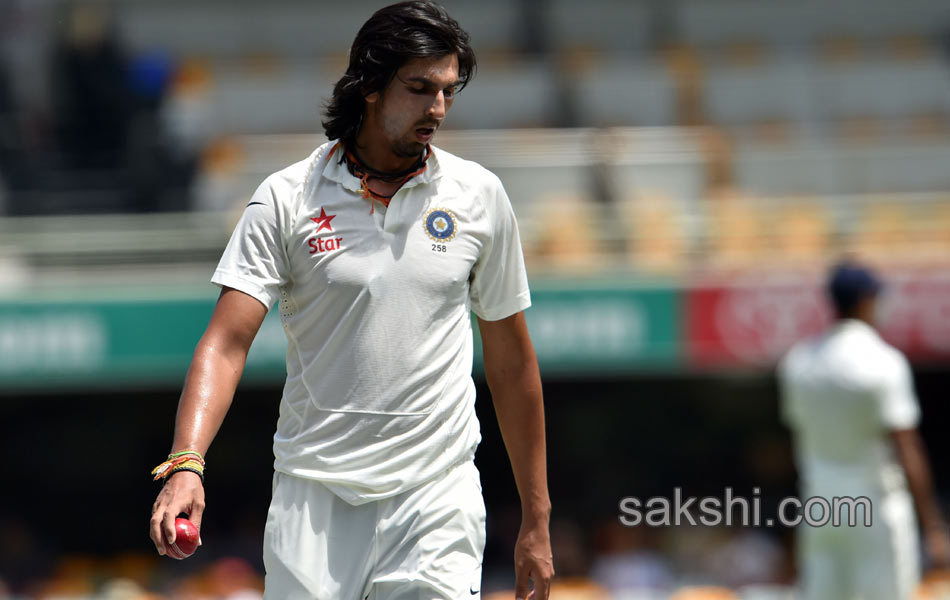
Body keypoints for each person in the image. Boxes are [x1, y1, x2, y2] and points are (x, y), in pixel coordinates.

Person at [148, 2, 553, 599]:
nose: (437, 109)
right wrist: (186, 463)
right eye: (419, 89)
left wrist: (537, 521)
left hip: (435, 494)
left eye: (447, 91)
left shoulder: (480, 197)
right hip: (312, 496)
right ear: (369, 85)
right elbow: (226, 343)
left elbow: (513, 363)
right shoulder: (285, 198)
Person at [778, 260, 949, 600]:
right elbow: (906, 447)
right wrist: (932, 525)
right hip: (874, 501)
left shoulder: (798, 363)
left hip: (821, 502)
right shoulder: (883, 362)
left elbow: (798, 435)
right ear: (867, 298)